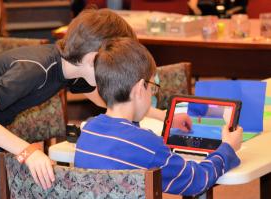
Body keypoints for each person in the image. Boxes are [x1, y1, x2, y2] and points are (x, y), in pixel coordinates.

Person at [0, 8, 167, 199]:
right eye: (112, 65)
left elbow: (118, 101)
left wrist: (164, 117)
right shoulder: (36, 69)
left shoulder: (73, 70)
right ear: (93, 59)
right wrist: (28, 152)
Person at [74, 37, 243, 196]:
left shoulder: (89, 131)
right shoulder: (148, 144)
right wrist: (227, 148)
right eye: (152, 87)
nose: (151, 94)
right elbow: (196, 179)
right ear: (141, 88)